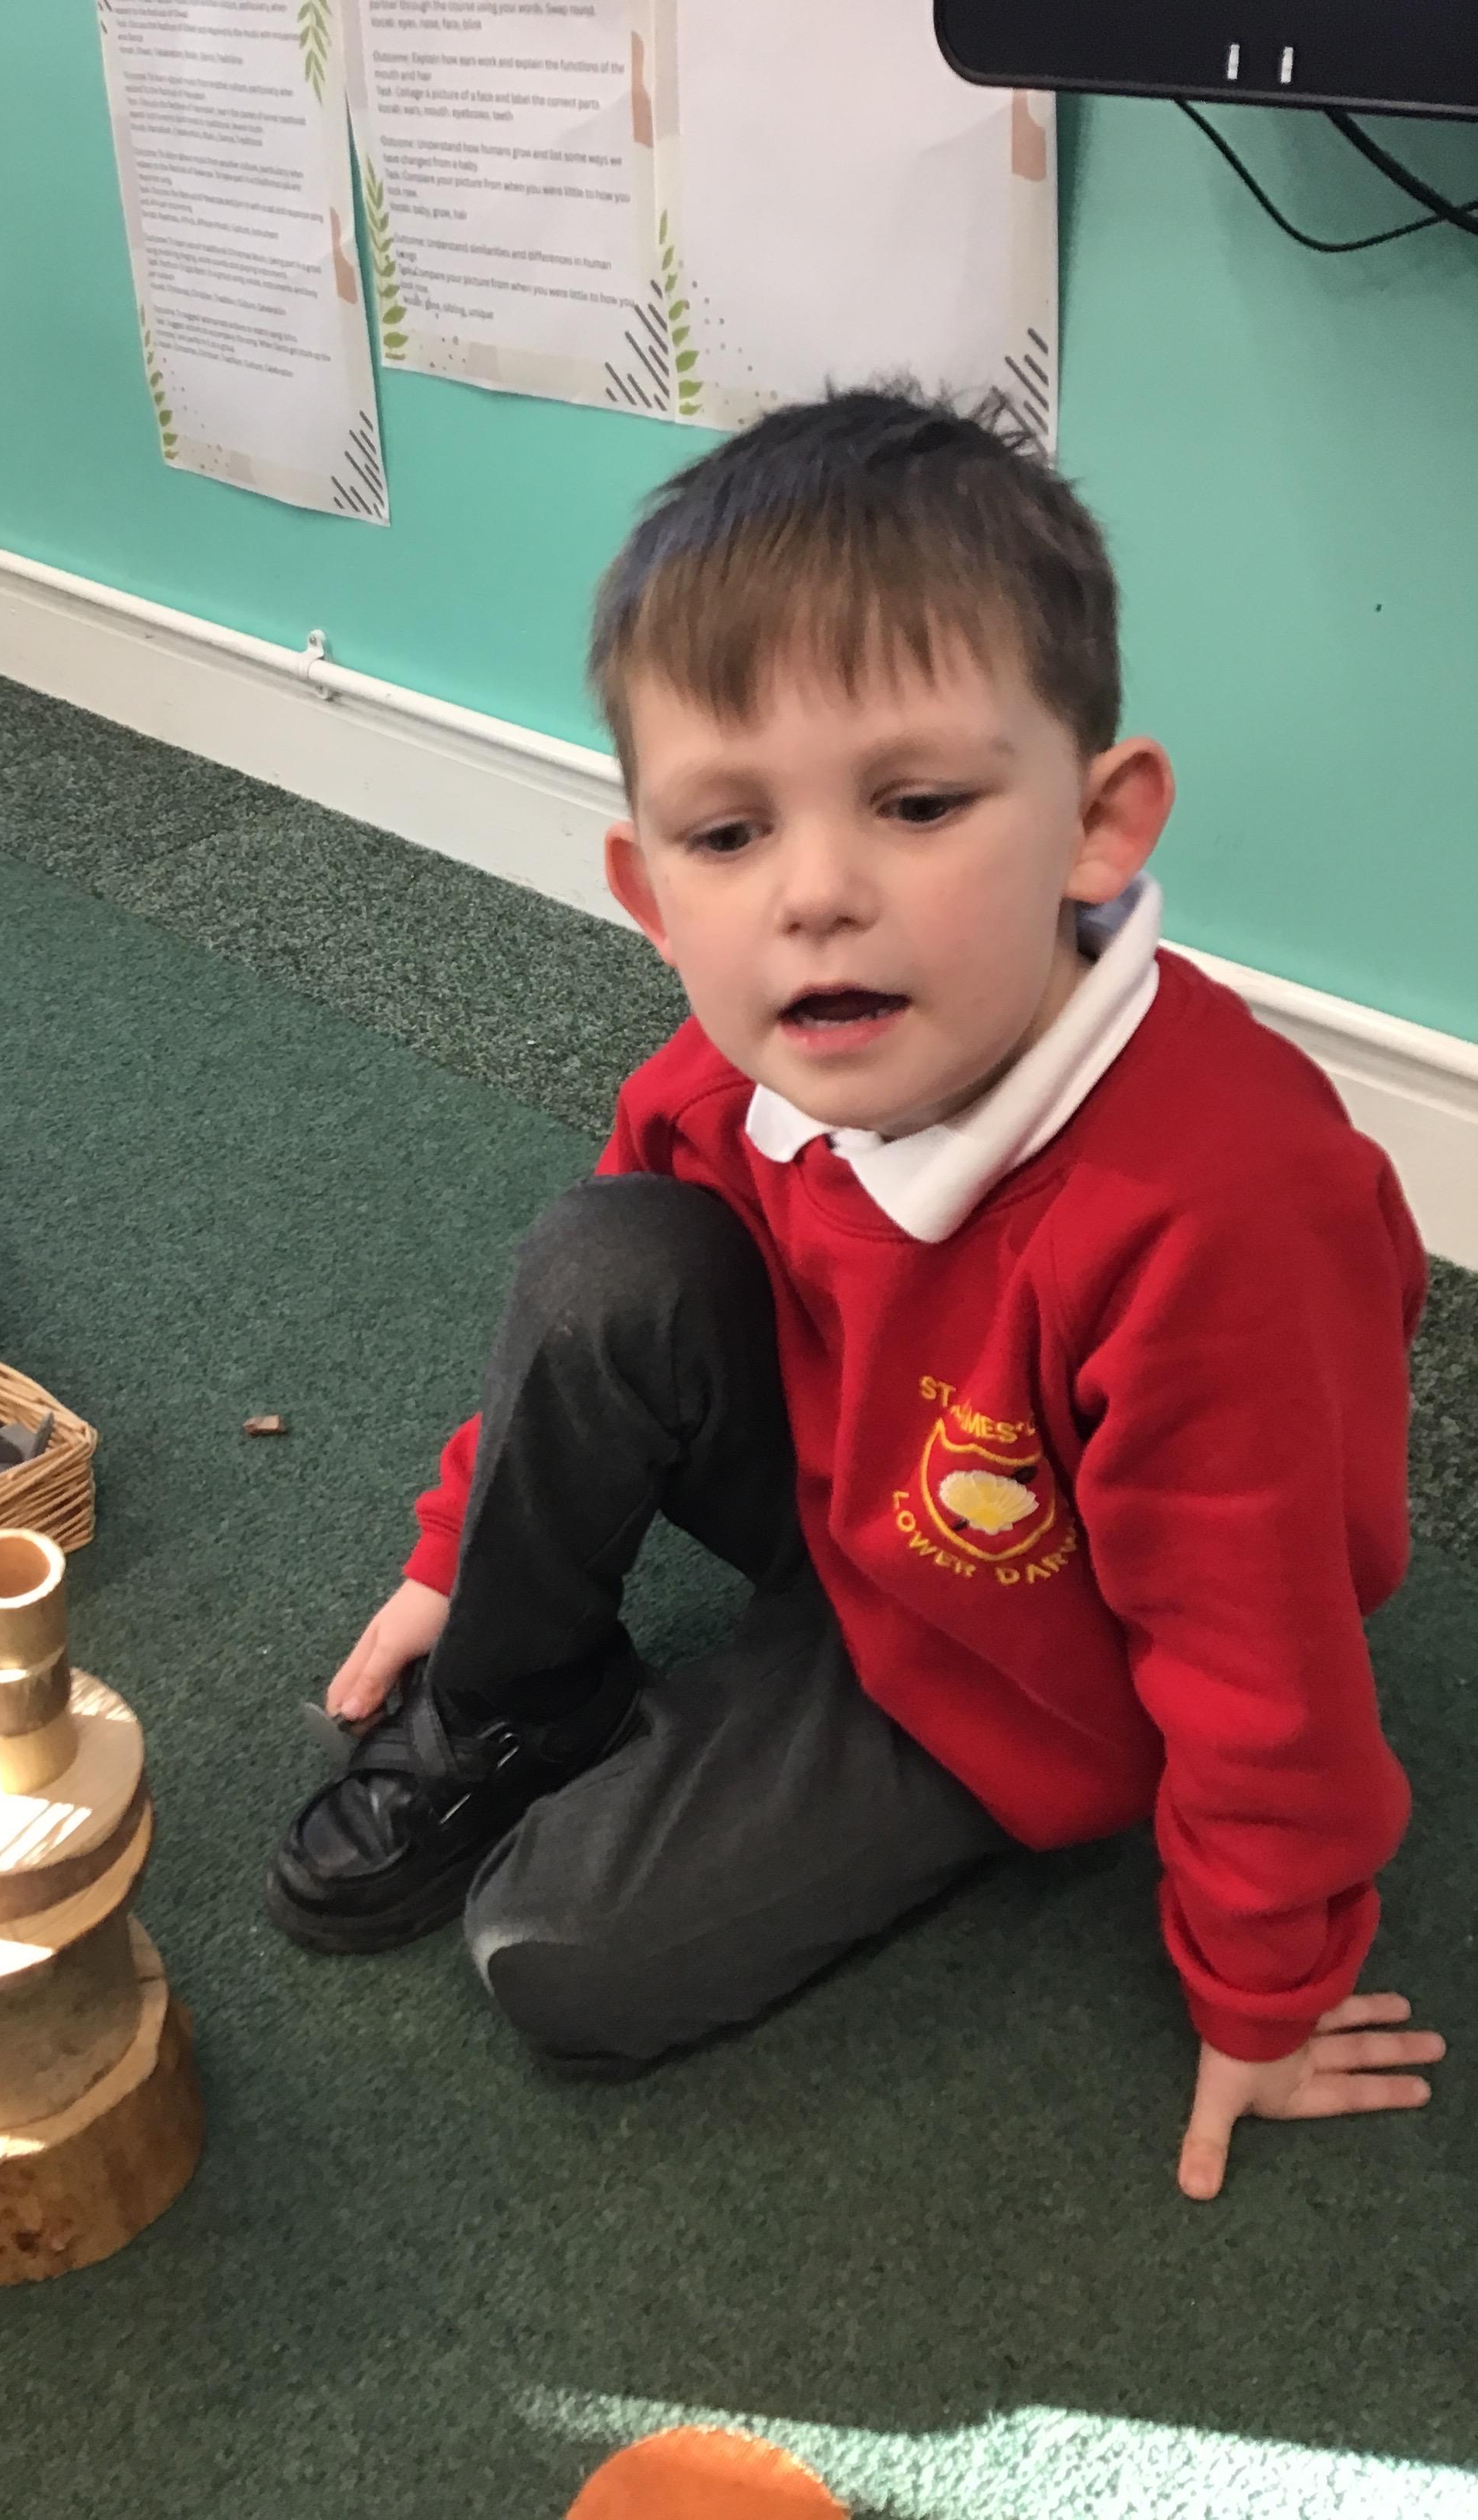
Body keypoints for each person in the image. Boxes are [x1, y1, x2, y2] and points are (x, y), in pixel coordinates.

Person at [263, 383, 1444, 2199]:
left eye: (917, 803)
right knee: (606, 1253)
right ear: (647, 890)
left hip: (1032, 1651)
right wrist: (459, 1561)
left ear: (1100, 824)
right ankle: (525, 1699)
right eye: (727, 836)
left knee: (554, 1957)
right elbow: (585, 1326)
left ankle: (757, 1753)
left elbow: (1262, 1649)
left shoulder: (1219, 1213)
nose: (815, 894)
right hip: (854, 1489)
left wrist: (1264, 1983)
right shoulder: (743, 1065)